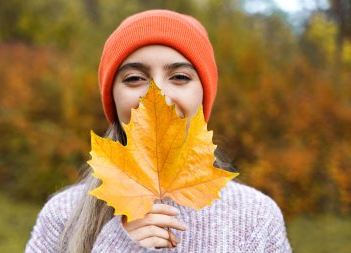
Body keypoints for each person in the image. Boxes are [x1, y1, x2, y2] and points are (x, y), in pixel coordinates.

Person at [25, 9, 291, 253]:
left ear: (203, 95)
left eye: (180, 77)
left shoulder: (255, 217)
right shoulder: (63, 216)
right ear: (112, 98)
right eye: (134, 79)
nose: (158, 95)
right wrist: (117, 246)